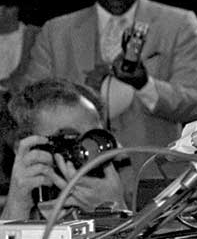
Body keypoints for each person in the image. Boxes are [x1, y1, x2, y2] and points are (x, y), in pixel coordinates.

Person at [16, 0, 197, 161]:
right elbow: (28, 105)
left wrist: (144, 84)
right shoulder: (55, 31)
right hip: (74, 173)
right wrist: (78, 96)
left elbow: (193, 103)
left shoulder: (179, 24)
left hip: (153, 171)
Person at [2, 79, 127, 221]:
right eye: (70, 139)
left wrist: (116, 211)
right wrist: (17, 206)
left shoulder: (116, 187)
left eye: (93, 137)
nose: (86, 150)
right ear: (25, 148)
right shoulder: (17, 204)